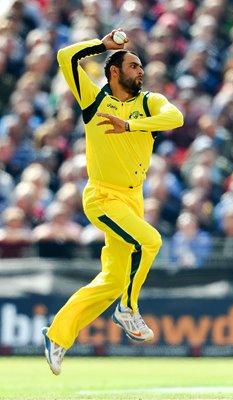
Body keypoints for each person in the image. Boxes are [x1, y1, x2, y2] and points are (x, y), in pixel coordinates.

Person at [41, 29, 184, 375]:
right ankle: (128, 309)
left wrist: (132, 126)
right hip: (103, 196)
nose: (141, 72)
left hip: (134, 199)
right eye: (134, 66)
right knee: (151, 241)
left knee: (112, 280)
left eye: (141, 67)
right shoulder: (93, 99)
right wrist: (101, 46)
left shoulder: (148, 102)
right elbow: (65, 57)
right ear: (114, 71)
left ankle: (57, 335)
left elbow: (175, 118)